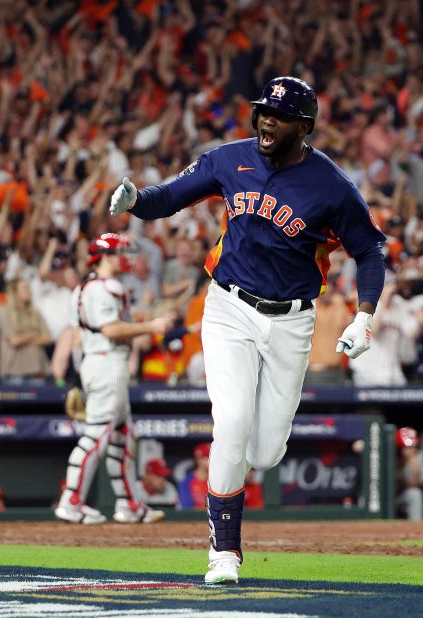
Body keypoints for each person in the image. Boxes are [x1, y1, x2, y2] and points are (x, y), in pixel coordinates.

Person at [110, 77, 386, 584]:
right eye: (262, 111)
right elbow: (168, 198)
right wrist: (135, 200)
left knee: (265, 452)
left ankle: (231, 523)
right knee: (231, 421)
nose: (265, 121)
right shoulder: (228, 158)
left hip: (292, 320)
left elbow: (370, 251)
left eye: (277, 116)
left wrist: (364, 316)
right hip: (229, 307)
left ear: (303, 127)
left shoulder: (331, 186)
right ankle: (224, 554)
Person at [53, 233, 174, 525]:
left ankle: (128, 503)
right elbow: (110, 330)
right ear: (105, 257)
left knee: (121, 437)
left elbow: (78, 337)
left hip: (98, 363)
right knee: (98, 435)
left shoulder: (82, 289)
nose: (126, 257)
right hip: (107, 363)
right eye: (119, 252)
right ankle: (71, 501)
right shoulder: (104, 288)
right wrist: (152, 325)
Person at [395, 427, 423, 521]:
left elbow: (416, 484)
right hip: (387, 499)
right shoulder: (390, 457)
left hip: (402, 497)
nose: (412, 450)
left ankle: (416, 527)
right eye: (407, 447)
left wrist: (414, 466)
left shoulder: (418, 457)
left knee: (415, 494)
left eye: (413, 446)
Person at [178, 442, 211, 509]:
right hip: (196, 519)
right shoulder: (187, 481)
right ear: (199, 459)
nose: (211, 460)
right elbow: (187, 508)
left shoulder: (217, 481)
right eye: (207, 457)